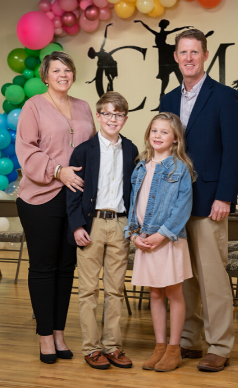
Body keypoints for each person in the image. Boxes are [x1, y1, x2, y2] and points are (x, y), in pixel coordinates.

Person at [160, 29, 238, 372]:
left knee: (212, 277)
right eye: (183, 52)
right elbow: (164, 150)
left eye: (195, 52)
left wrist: (225, 196)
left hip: (211, 201)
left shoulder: (225, 97)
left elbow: (235, 151)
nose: (188, 58)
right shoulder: (168, 99)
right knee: (184, 277)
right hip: (176, 205)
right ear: (176, 57)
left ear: (205, 55)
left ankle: (219, 345)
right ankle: (190, 340)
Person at [16, 51, 96, 364]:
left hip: (75, 198)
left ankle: (60, 333)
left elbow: (93, 147)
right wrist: (58, 171)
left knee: (66, 268)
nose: (63, 74)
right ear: (45, 75)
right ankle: (45, 336)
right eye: (56, 70)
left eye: (67, 70)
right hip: (41, 197)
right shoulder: (33, 106)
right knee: (44, 267)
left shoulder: (83, 106)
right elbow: (26, 150)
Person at [66, 91, 138, 370]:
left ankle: (112, 346)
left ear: (125, 118)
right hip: (91, 225)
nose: (112, 119)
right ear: (98, 116)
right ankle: (92, 348)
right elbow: (73, 192)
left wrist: (133, 226)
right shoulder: (84, 150)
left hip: (120, 224)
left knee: (115, 290)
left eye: (118, 114)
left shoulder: (131, 149)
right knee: (87, 291)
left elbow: (134, 190)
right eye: (107, 113)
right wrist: (76, 226)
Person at [124, 112, 194, 372]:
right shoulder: (141, 166)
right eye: (154, 130)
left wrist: (161, 235)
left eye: (164, 132)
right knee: (154, 292)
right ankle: (160, 346)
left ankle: (174, 349)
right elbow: (134, 203)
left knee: (173, 292)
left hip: (168, 240)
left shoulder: (180, 168)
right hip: (143, 238)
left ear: (175, 139)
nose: (158, 136)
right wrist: (133, 233)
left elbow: (182, 208)